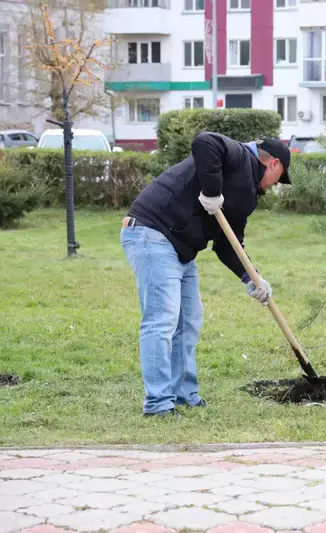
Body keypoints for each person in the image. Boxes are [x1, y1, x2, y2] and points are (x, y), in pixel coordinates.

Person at [121, 133, 291, 417]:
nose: (274, 187)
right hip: (152, 232)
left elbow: (228, 243)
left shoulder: (246, 195)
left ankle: (183, 394)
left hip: (182, 248)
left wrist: (252, 278)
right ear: (274, 164)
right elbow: (205, 142)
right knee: (161, 321)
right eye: (280, 178)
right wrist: (212, 191)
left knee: (188, 322)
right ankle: (158, 403)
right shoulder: (238, 155)